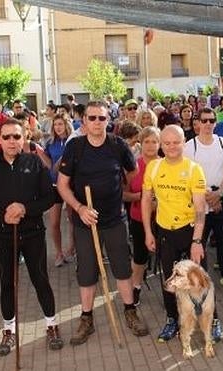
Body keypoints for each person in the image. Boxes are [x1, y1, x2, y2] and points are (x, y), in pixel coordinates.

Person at [57, 101, 149, 345]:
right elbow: (62, 185)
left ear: (109, 120)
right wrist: (79, 207)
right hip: (84, 220)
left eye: (102, 118)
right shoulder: (75, 147)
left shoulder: (117, 145)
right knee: (87, 271)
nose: (97, 122)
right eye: (92, 118)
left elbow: (131, 175)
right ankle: (86, 318)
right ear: (84, 121)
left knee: (122, 267)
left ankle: (130, 311)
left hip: (114, 219)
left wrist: (116, 192)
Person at [0, 118, 63, 356]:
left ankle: (52, 325)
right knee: (7, 282)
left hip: (33, 232)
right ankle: (8, 331)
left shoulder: (34, 163)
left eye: (16, 136)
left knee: (40, 279)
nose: (12, 141)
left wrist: (25, 209)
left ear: (24, 138)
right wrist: (3, 215)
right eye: (7, 137)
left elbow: (49, 198)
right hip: (3, 234)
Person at [141, 125, 223, 342]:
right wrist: (148, 233)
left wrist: (197, 241)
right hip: (165, 231)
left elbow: (199, 209)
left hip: (189, 232)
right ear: (161, 144)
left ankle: (213, 320)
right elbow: (146, 200)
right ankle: (172, 320)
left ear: (183, 142)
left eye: (176, 142)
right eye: (166, 143)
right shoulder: (154, 168)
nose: (171, 147)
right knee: (169, 281)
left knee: (200, 281)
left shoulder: (194, 169)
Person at [183, 107, 223, 289]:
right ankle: (198, 279)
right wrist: (205, 195)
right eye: (204, 121)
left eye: (211, 121)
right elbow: (186, 174)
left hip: (220, 199)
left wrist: (219, 194)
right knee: (199, 240)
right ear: (197, 122)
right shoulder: (190, 146)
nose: (208, 124)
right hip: (199, 202)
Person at [122, 126, 161, 306]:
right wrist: (142, 197)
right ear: (140, 143)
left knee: (167, 256)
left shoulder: (166, 164)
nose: (151, 145)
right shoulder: (133, 167)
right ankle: (135, 286)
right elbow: (123, 194)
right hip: (138, 216)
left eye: (154, 141)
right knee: (140, 256)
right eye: (147, 141)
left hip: (164, 218)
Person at [44, 114, 75, 267]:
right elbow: (49, 164)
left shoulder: (73, 142)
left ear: (66, 125)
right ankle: (58, 252)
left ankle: (71, 249)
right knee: (54, 222)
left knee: (72, 218)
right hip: (54, 186)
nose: (58, 127)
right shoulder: (50, 143)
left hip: (70, 185)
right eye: (55, 124)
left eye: (60, 124)